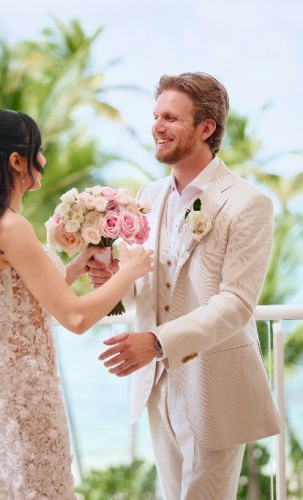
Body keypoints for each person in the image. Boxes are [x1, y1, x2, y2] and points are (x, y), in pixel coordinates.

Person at [0, 109, 154, 499]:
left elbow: (21, 294)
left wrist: (73, 269)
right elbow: (75, 316)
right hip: (23, 390)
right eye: (38, 150)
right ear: (16, 161)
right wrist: (131, 270)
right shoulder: (12, 226)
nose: (44, 160)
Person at [88, 72, 281, 499]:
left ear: (206, 128)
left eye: (171, 117)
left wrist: (156, 341)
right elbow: (147, 284)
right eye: (156, 115)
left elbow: (236, 303)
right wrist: (112, 279)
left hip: (214, 383)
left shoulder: (248, 203)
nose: (156, 126)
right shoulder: (149, 194)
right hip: (157, 383)